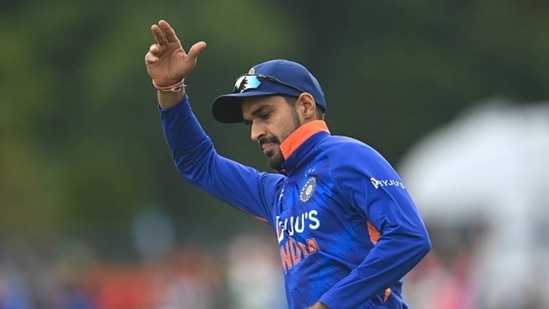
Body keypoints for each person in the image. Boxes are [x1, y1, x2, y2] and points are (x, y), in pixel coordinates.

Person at [144, 19, 431, 309]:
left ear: (305, 106)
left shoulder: (346, 157)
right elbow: (198, 163)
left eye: (264, 114)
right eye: (250, 122)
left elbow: (409, 237)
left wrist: (328, 305)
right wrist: (170, 88)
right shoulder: (277, 192)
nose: (255, 133)